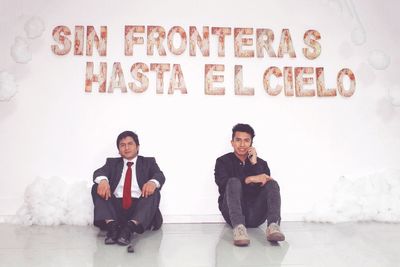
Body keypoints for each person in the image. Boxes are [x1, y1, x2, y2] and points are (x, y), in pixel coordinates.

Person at [214, 123, 285, 246]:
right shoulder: (222, 162)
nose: (242, 145)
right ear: (232, 142)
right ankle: (239, 229)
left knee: (272, 183)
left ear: (251, 143)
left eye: (246, 141)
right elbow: (222, 184)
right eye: (238, 140)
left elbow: (266, 186)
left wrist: (255, 164)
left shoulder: (260, 163)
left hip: (255, 214)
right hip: (232, 215)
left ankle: (273, 226)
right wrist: (250, 179)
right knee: (232, 181)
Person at [91, 130, 165, 246]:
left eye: (130, 144)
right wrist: (103, 180)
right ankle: (112, 227)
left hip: (139, 208)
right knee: (97, 186)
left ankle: (129, 229)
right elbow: (99, 172)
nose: (126, 147)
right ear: (119, 150)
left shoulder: (148, 162)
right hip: (116, 209)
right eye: (122, 145)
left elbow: (159, 175)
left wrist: (152, 182)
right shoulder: (112, 163)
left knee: (154, 191)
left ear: (137, 147)